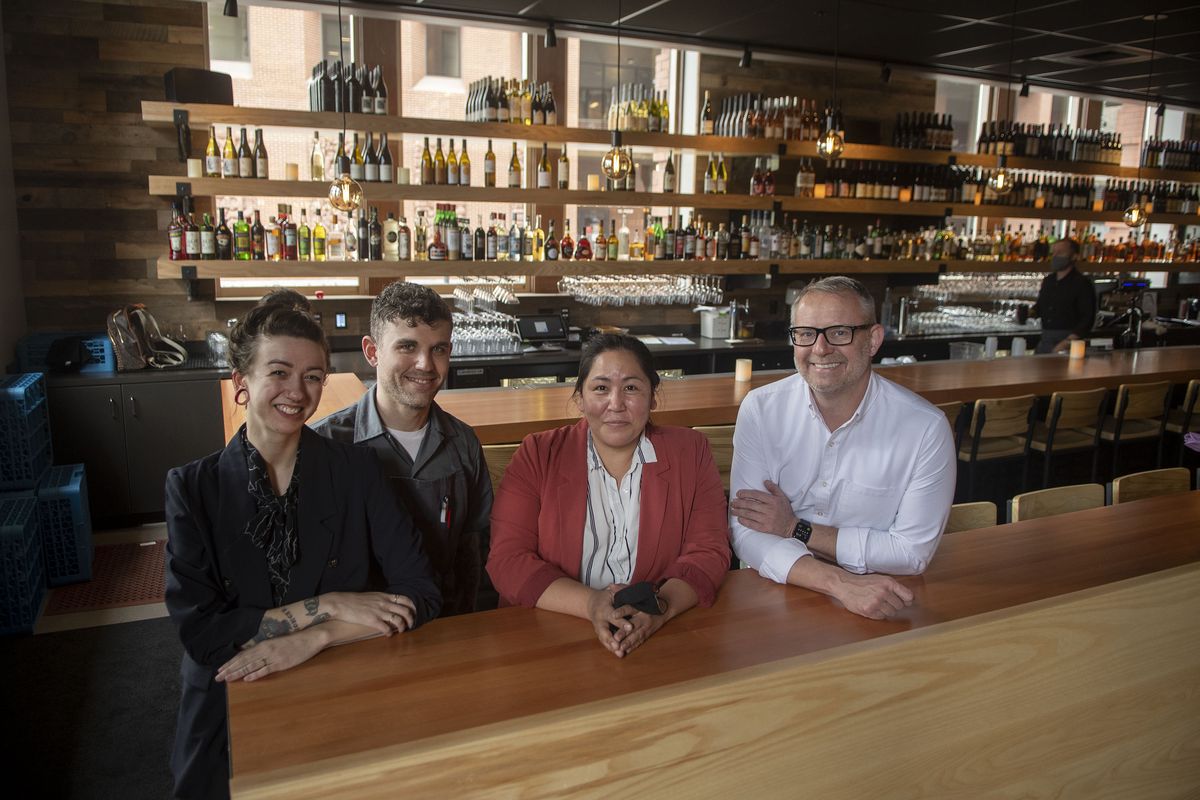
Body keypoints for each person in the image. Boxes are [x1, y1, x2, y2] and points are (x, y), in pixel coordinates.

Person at [164, 292, 440, 800]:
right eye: (279, 372)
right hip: (231, 694)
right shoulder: (193, 489)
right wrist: (332, 605)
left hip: (342, 685)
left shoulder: (356, 470)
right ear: (240, 382)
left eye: (312, 376)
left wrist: (316, 636)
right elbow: (202, 633)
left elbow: (421, 591)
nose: (297, 390)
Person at [487, 334, 731, 657]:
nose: (616, 403)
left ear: (653, 397)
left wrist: (660, 609)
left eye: (631, 388)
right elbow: (507, 560)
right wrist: (591, 603)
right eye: (601, 388)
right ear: (580, 398)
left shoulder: (691, 452)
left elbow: (710, 550)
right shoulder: (538, 454)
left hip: (659, 638)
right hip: (550, 636)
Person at [728, 276, 956, 620]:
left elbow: (911, 554)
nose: (820, 349)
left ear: (873, 340)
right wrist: (839, 582)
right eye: (806, 333)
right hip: (774, 591)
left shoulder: (925, 427)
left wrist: (794, 528)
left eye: (839, 332)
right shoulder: (761, 409)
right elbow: (747, 530)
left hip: (882, 597)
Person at [312, 282, 494, 615]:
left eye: (438, 349)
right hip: (355, 639)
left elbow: (475, 548)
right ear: (372, 352)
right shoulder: (325, 444)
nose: (425, 364)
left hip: (445, 628)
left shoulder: (463, 442)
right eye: (407, 347)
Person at [1033, 238, 1096, 354]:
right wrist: (1027, 313)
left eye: (1060, 252)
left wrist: (1066, 343)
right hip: (1045, 339)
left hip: (1068, 344)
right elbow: (1041, 308)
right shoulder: (1048, 281)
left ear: (1074, 256)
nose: (1055, 256)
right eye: (1054, 253)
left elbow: (1087, 318)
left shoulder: (1081, 283)